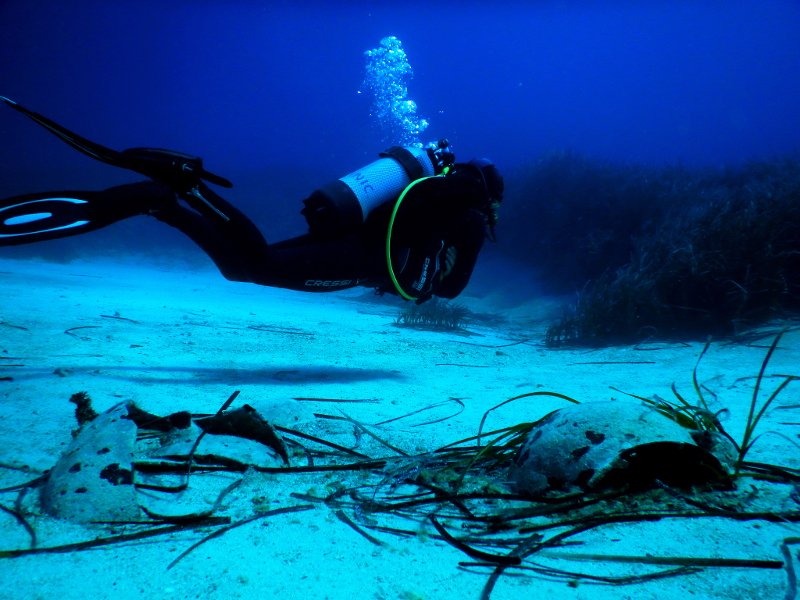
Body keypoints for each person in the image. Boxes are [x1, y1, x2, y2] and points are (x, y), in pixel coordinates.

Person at [0, 97, 503, 303]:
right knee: (253, 264)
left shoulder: (437, 192)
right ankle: (175, 192)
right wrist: (448, 257)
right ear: (488, 196)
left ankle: (166, 202)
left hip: (350, 238)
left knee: (247, 265)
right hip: (362, 257)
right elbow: (452, 289)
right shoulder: (470, 218)